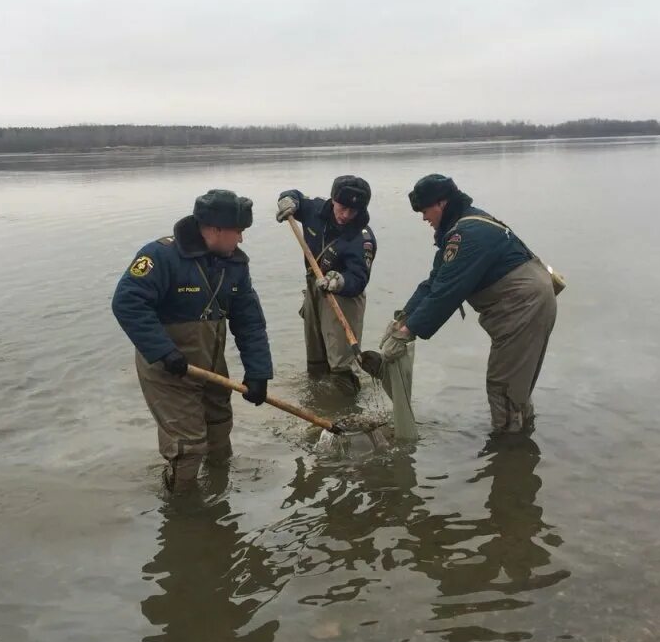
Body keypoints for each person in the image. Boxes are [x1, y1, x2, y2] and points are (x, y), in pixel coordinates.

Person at [112, 189, 273, 492]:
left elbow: (249, 321)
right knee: (188, 447)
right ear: (214, 229)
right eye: (237, 231)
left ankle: (218, 503)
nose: (241, 239)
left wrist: (259, 372)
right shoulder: (159, 256)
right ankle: (182, 506)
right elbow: (127, 303)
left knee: (219, 433)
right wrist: (163, 351)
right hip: (168, 368)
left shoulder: (235, 265)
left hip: (211, 365)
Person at [382, 174, 557, 434]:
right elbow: (434, 282)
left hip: (523, 307)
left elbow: (446, 294)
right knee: (515, 384)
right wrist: (404, 318)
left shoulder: (467, 235)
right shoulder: (464, 225)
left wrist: (408, 333)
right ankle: (520, 433)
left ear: (441, 204)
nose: (423, 218)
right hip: (529, 303)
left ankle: (510, 453)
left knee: (504, 386)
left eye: (425, 210)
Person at [276, 175, 377, 393]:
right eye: (342, 208)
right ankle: (317, 401)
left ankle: (345, 408)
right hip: (314, 286)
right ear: (333, 200)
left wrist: (339, 281)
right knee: (316, 357)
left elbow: (359, 278)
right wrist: (288, 200)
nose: (346, 215)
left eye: (353, 211)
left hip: (343, 294)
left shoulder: (363, 238)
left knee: (341, 363)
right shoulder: (315, 210)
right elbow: (296, 197)